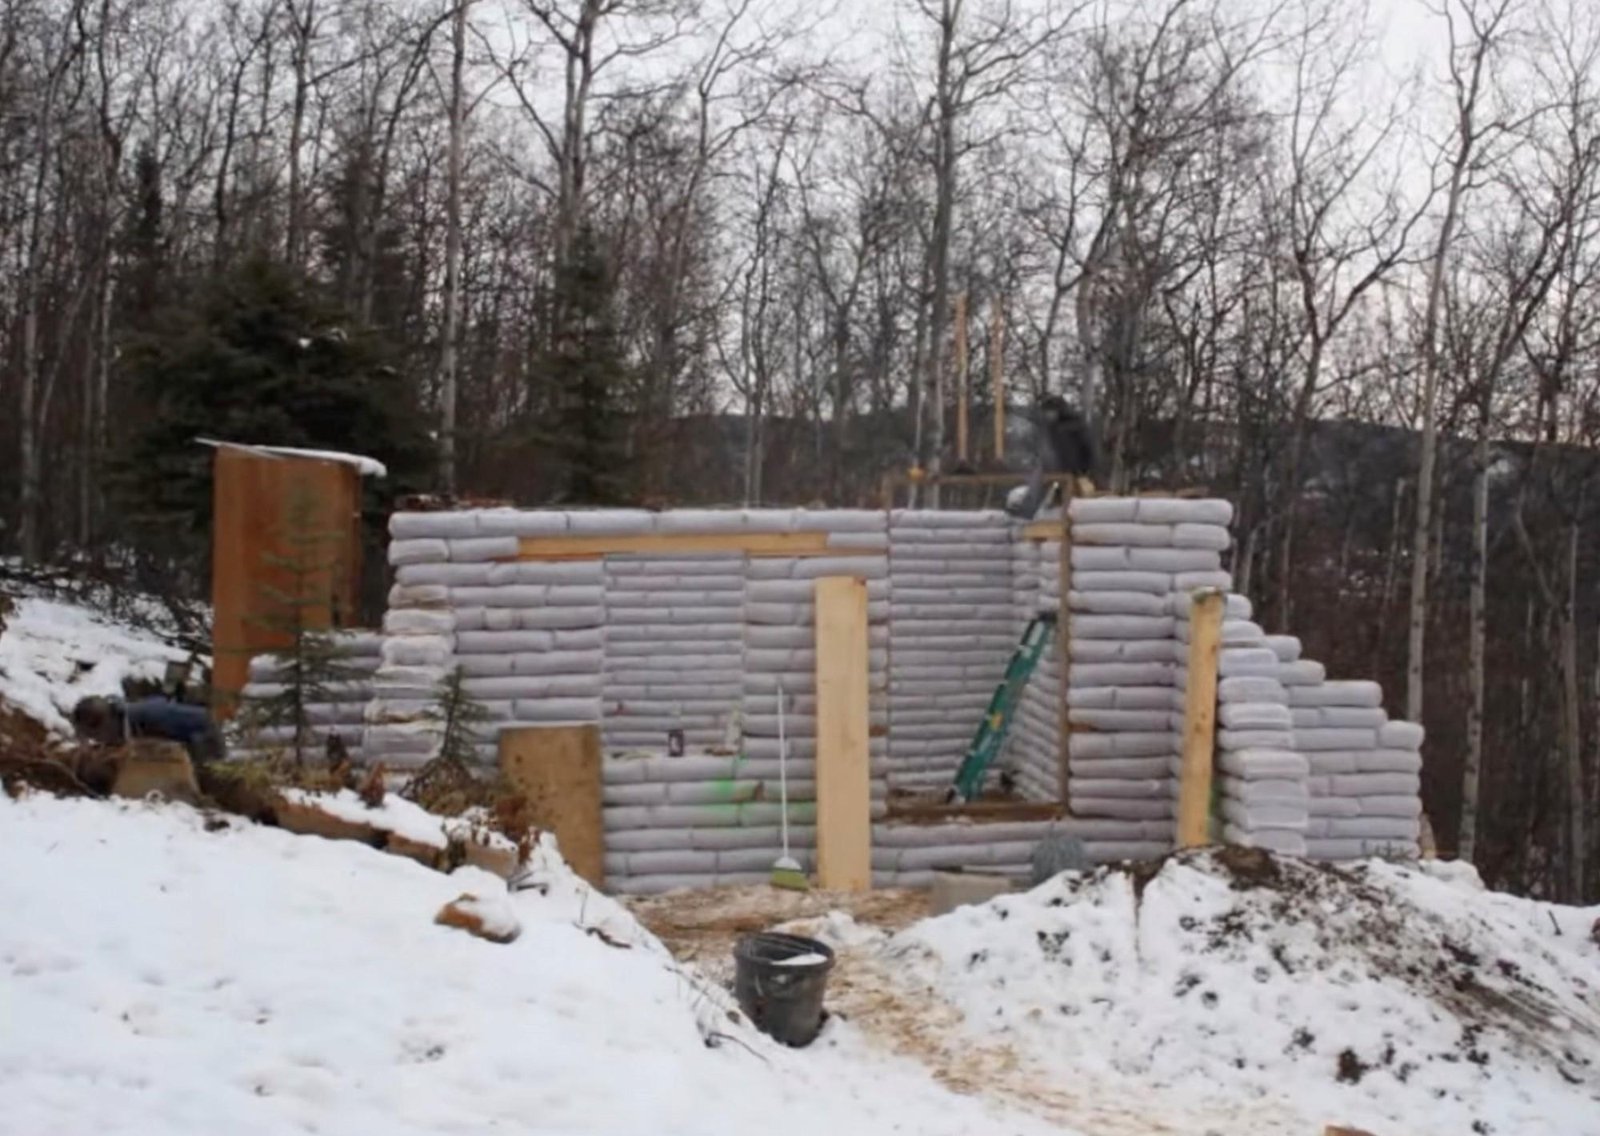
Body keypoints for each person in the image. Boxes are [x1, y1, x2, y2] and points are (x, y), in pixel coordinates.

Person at [71, 694, 227, 765]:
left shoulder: (151, 718)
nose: (97, 741)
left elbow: (201, 721)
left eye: (95, 736)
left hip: (204, 741)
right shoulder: (127, 720)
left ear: (106, 722)